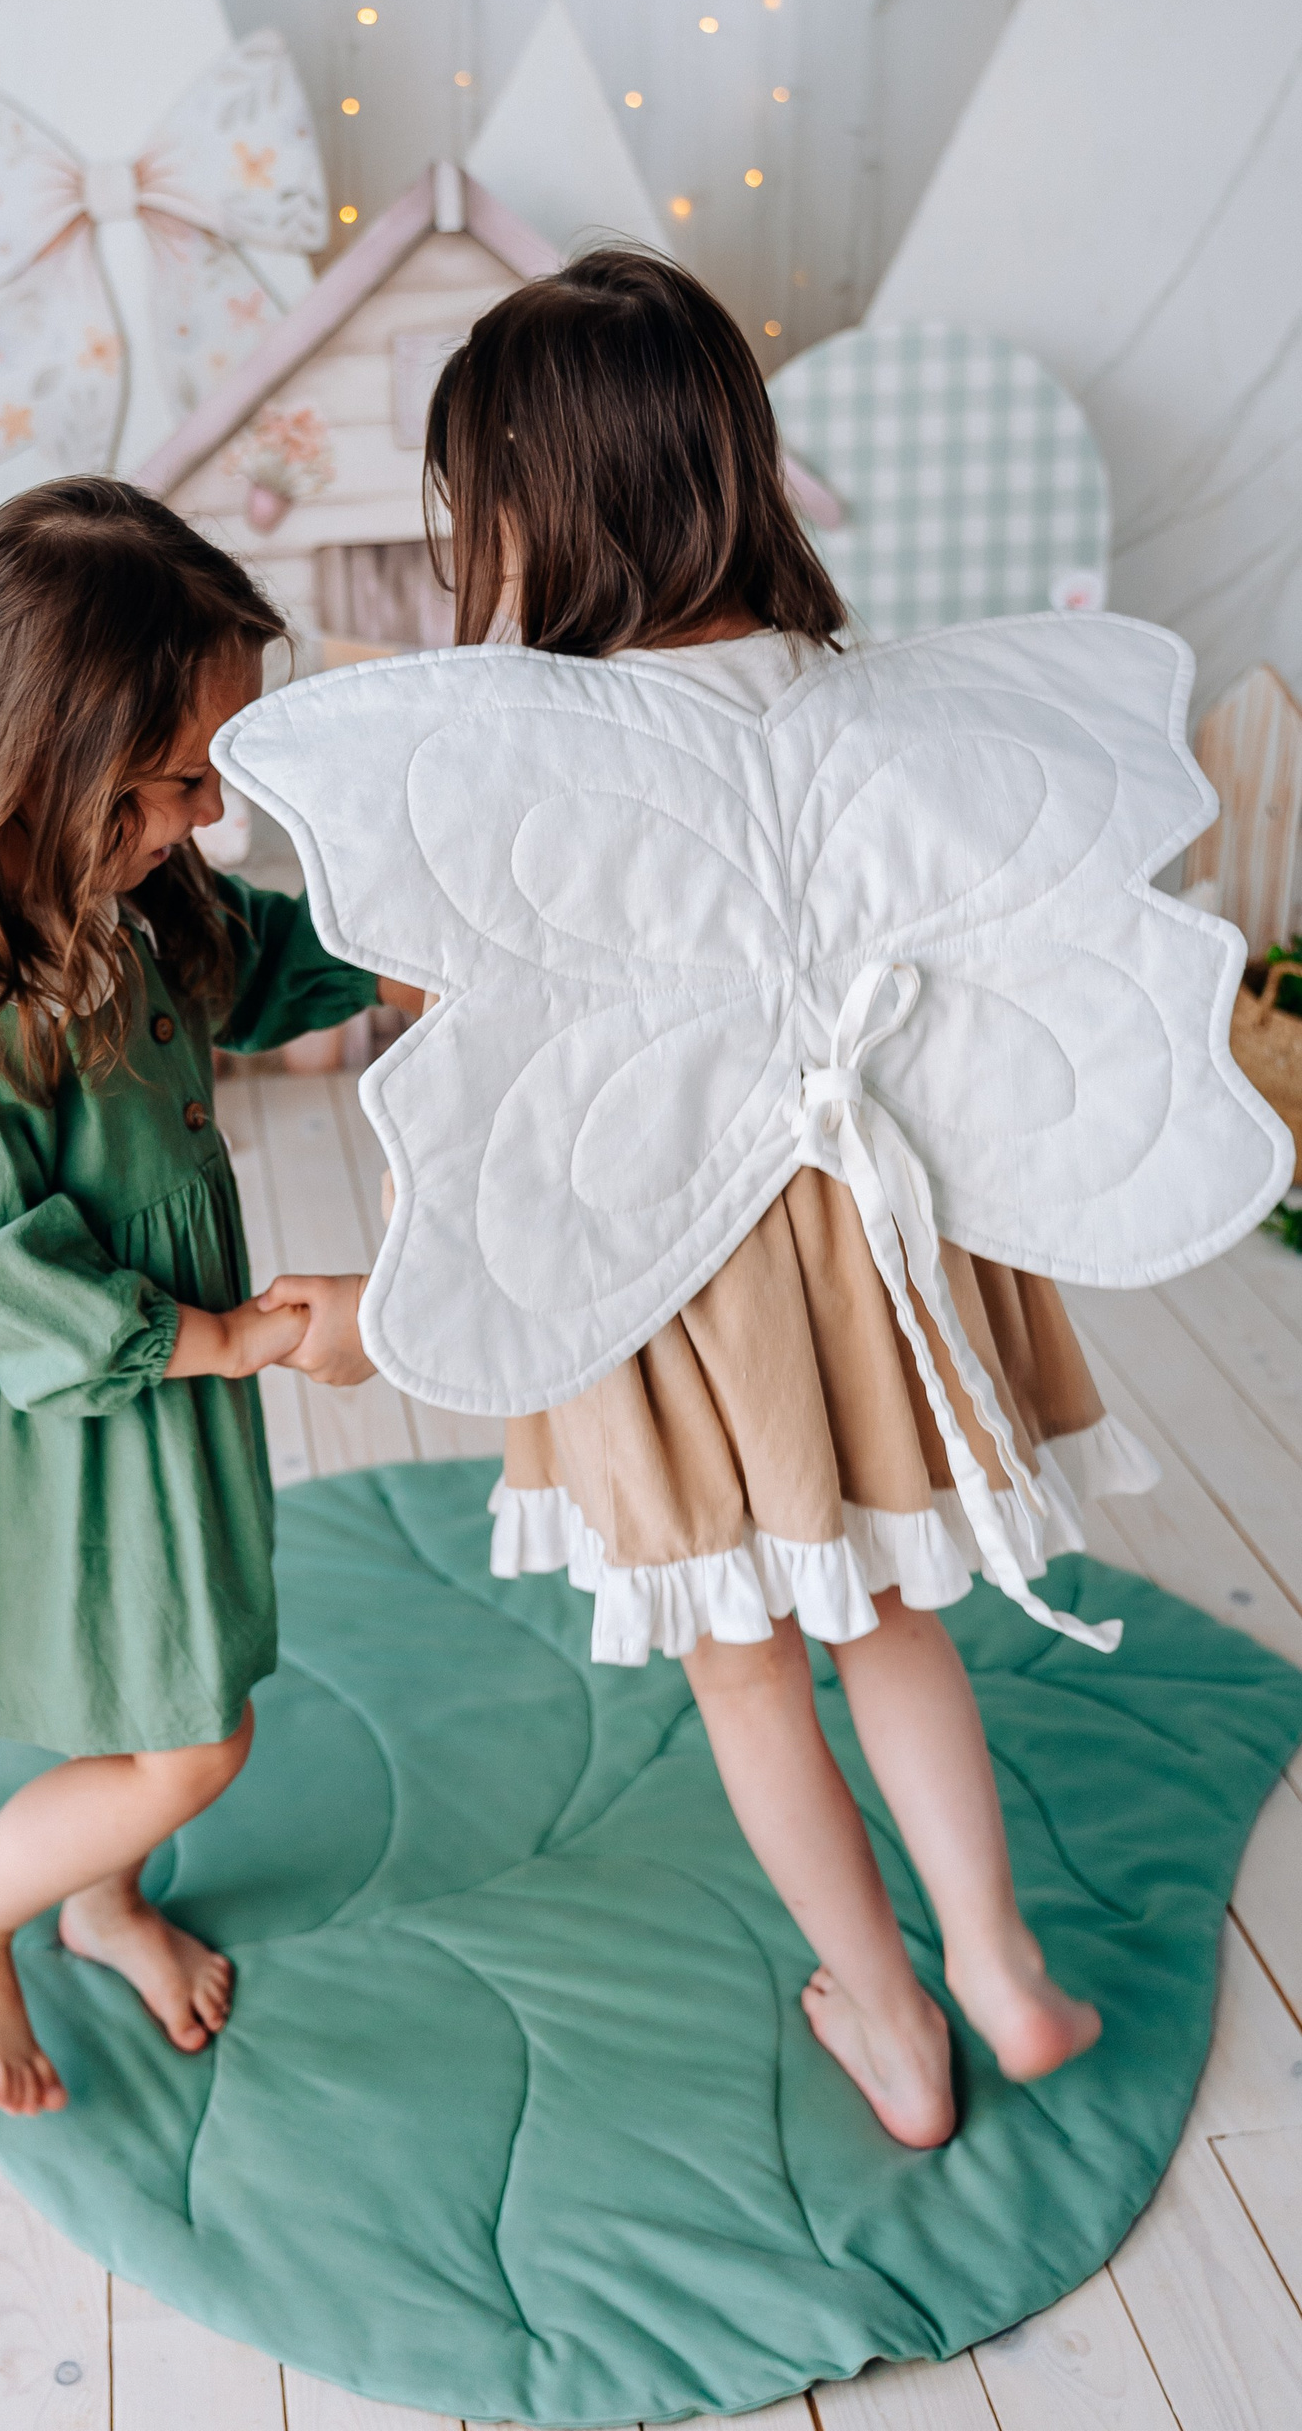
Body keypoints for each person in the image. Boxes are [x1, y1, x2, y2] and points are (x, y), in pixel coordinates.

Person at [277, 250, 1153, 2150]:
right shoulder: (861, 697)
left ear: (534, 509)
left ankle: (893, 2023)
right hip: (872, 1242)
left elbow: (459, 1047)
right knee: (890, 1614)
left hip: (656, 1260)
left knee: (743, 1666)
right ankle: (1003, 1966)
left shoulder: (521, 750)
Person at [0, 478, 397, 2116]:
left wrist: (398, 957)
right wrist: (223, 1337)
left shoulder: (121, 889)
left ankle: (100, 1896)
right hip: (61, 1380)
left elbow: (256, 961)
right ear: (56, 760)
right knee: (195, 1732)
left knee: (140, 1663)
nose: (211, 814)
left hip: (139, 1367)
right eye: (182, 781)